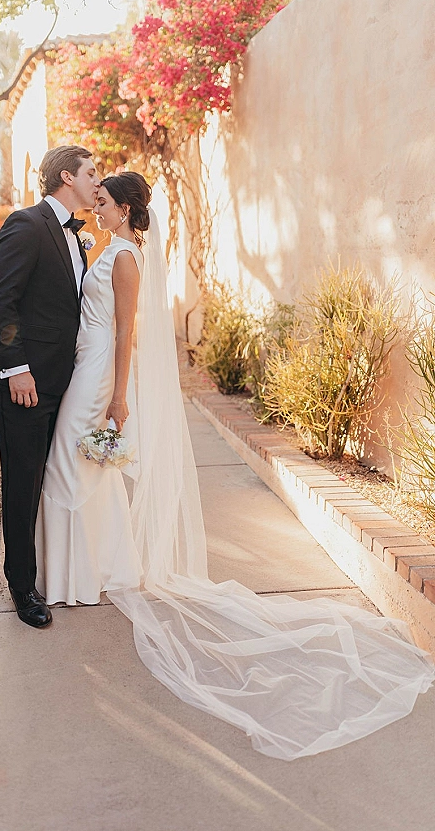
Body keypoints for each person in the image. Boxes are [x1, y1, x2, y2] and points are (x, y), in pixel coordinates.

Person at [35, 171, 435, 760]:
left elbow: (127, 336)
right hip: (84, 364)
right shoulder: (110, 247)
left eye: (102, 202)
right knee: (85, 473)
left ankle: (77, 575)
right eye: (94, 199)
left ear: (123, 210)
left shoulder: (124, 259)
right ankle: (90, 573)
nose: (95, 207)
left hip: (99, 375)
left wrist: (119, 396)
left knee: (68, 471)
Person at [0, 145, 101, 628]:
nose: (99, 182)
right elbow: (2, 302)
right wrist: (17, 369)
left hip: (60, 381)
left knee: (47, 480)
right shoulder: (27, 224)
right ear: (67, 177)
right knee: (23, 484)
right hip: (24, 383)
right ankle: (21, 587)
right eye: (93, 173)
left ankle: (44, 570)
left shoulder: (78, 235)